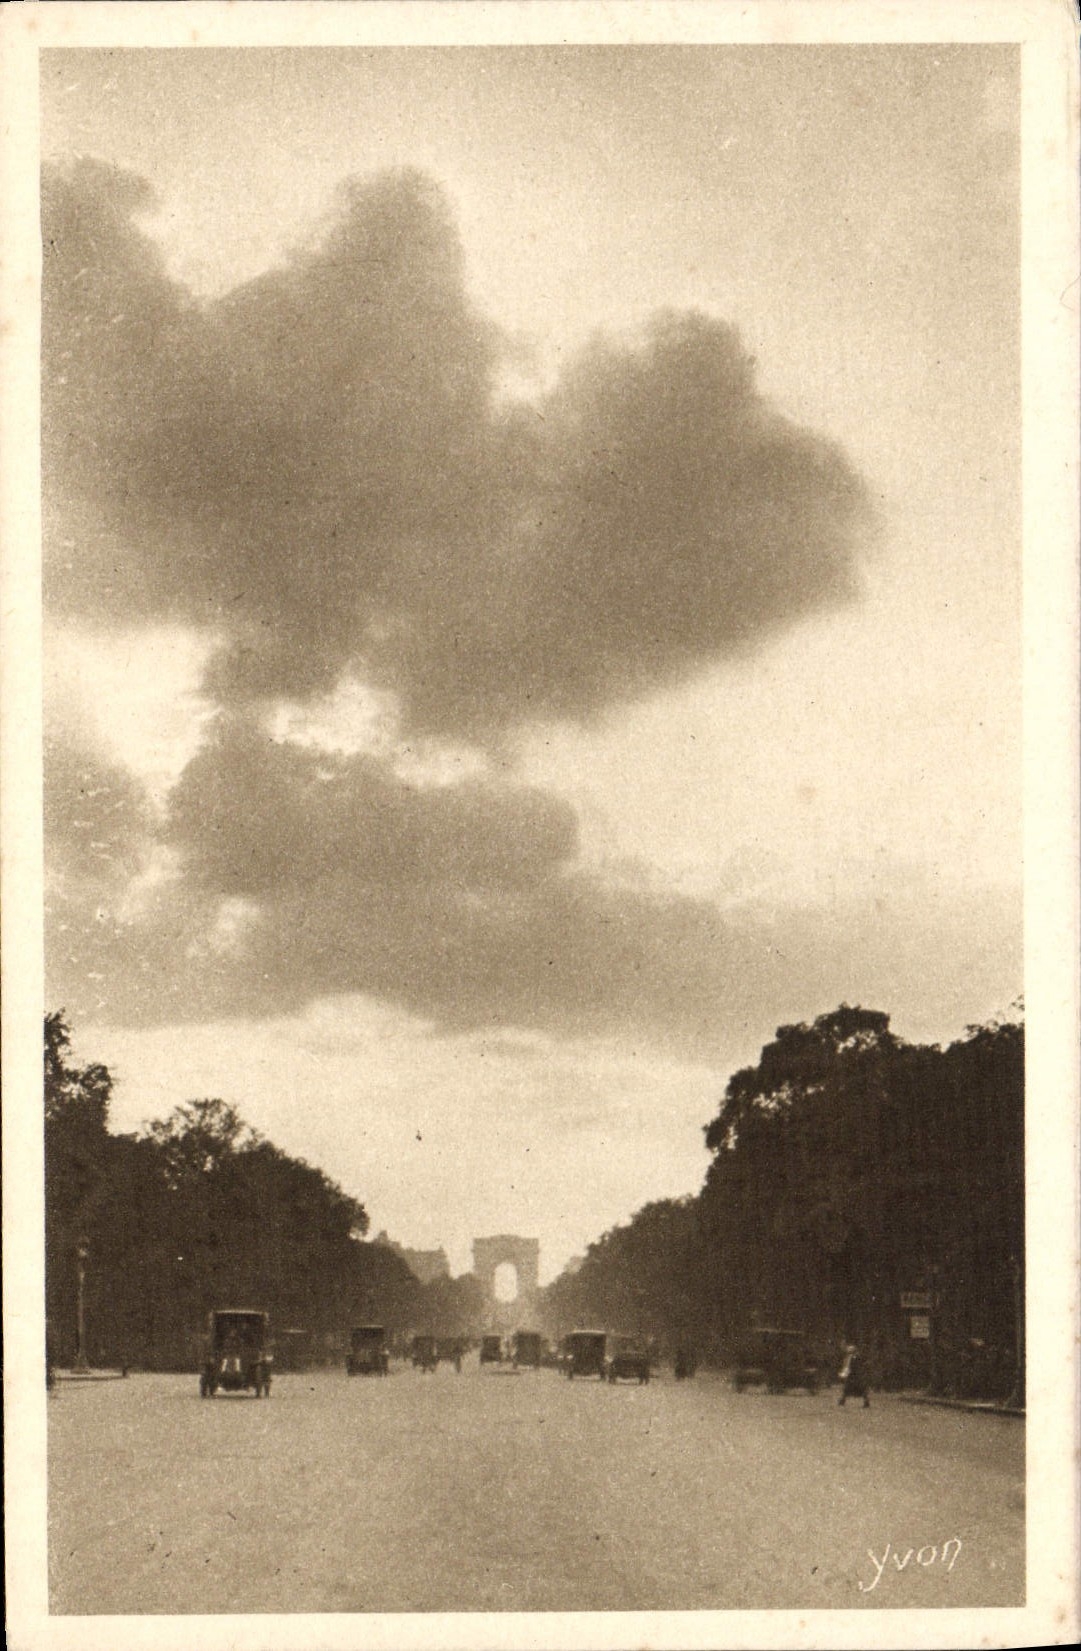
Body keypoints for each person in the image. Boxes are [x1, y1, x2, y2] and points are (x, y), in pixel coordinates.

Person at [838, 1342, 870, 1408]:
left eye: (850, 1351)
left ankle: (866, 1402)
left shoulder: (855, 1357)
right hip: (852, 1375)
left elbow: (851, 1367)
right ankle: (842, 1400)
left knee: (859, 1389)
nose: (848, 1352)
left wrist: (845, 1373)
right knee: (847, 1389)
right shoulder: (849, 1358)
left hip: (855, 1376)